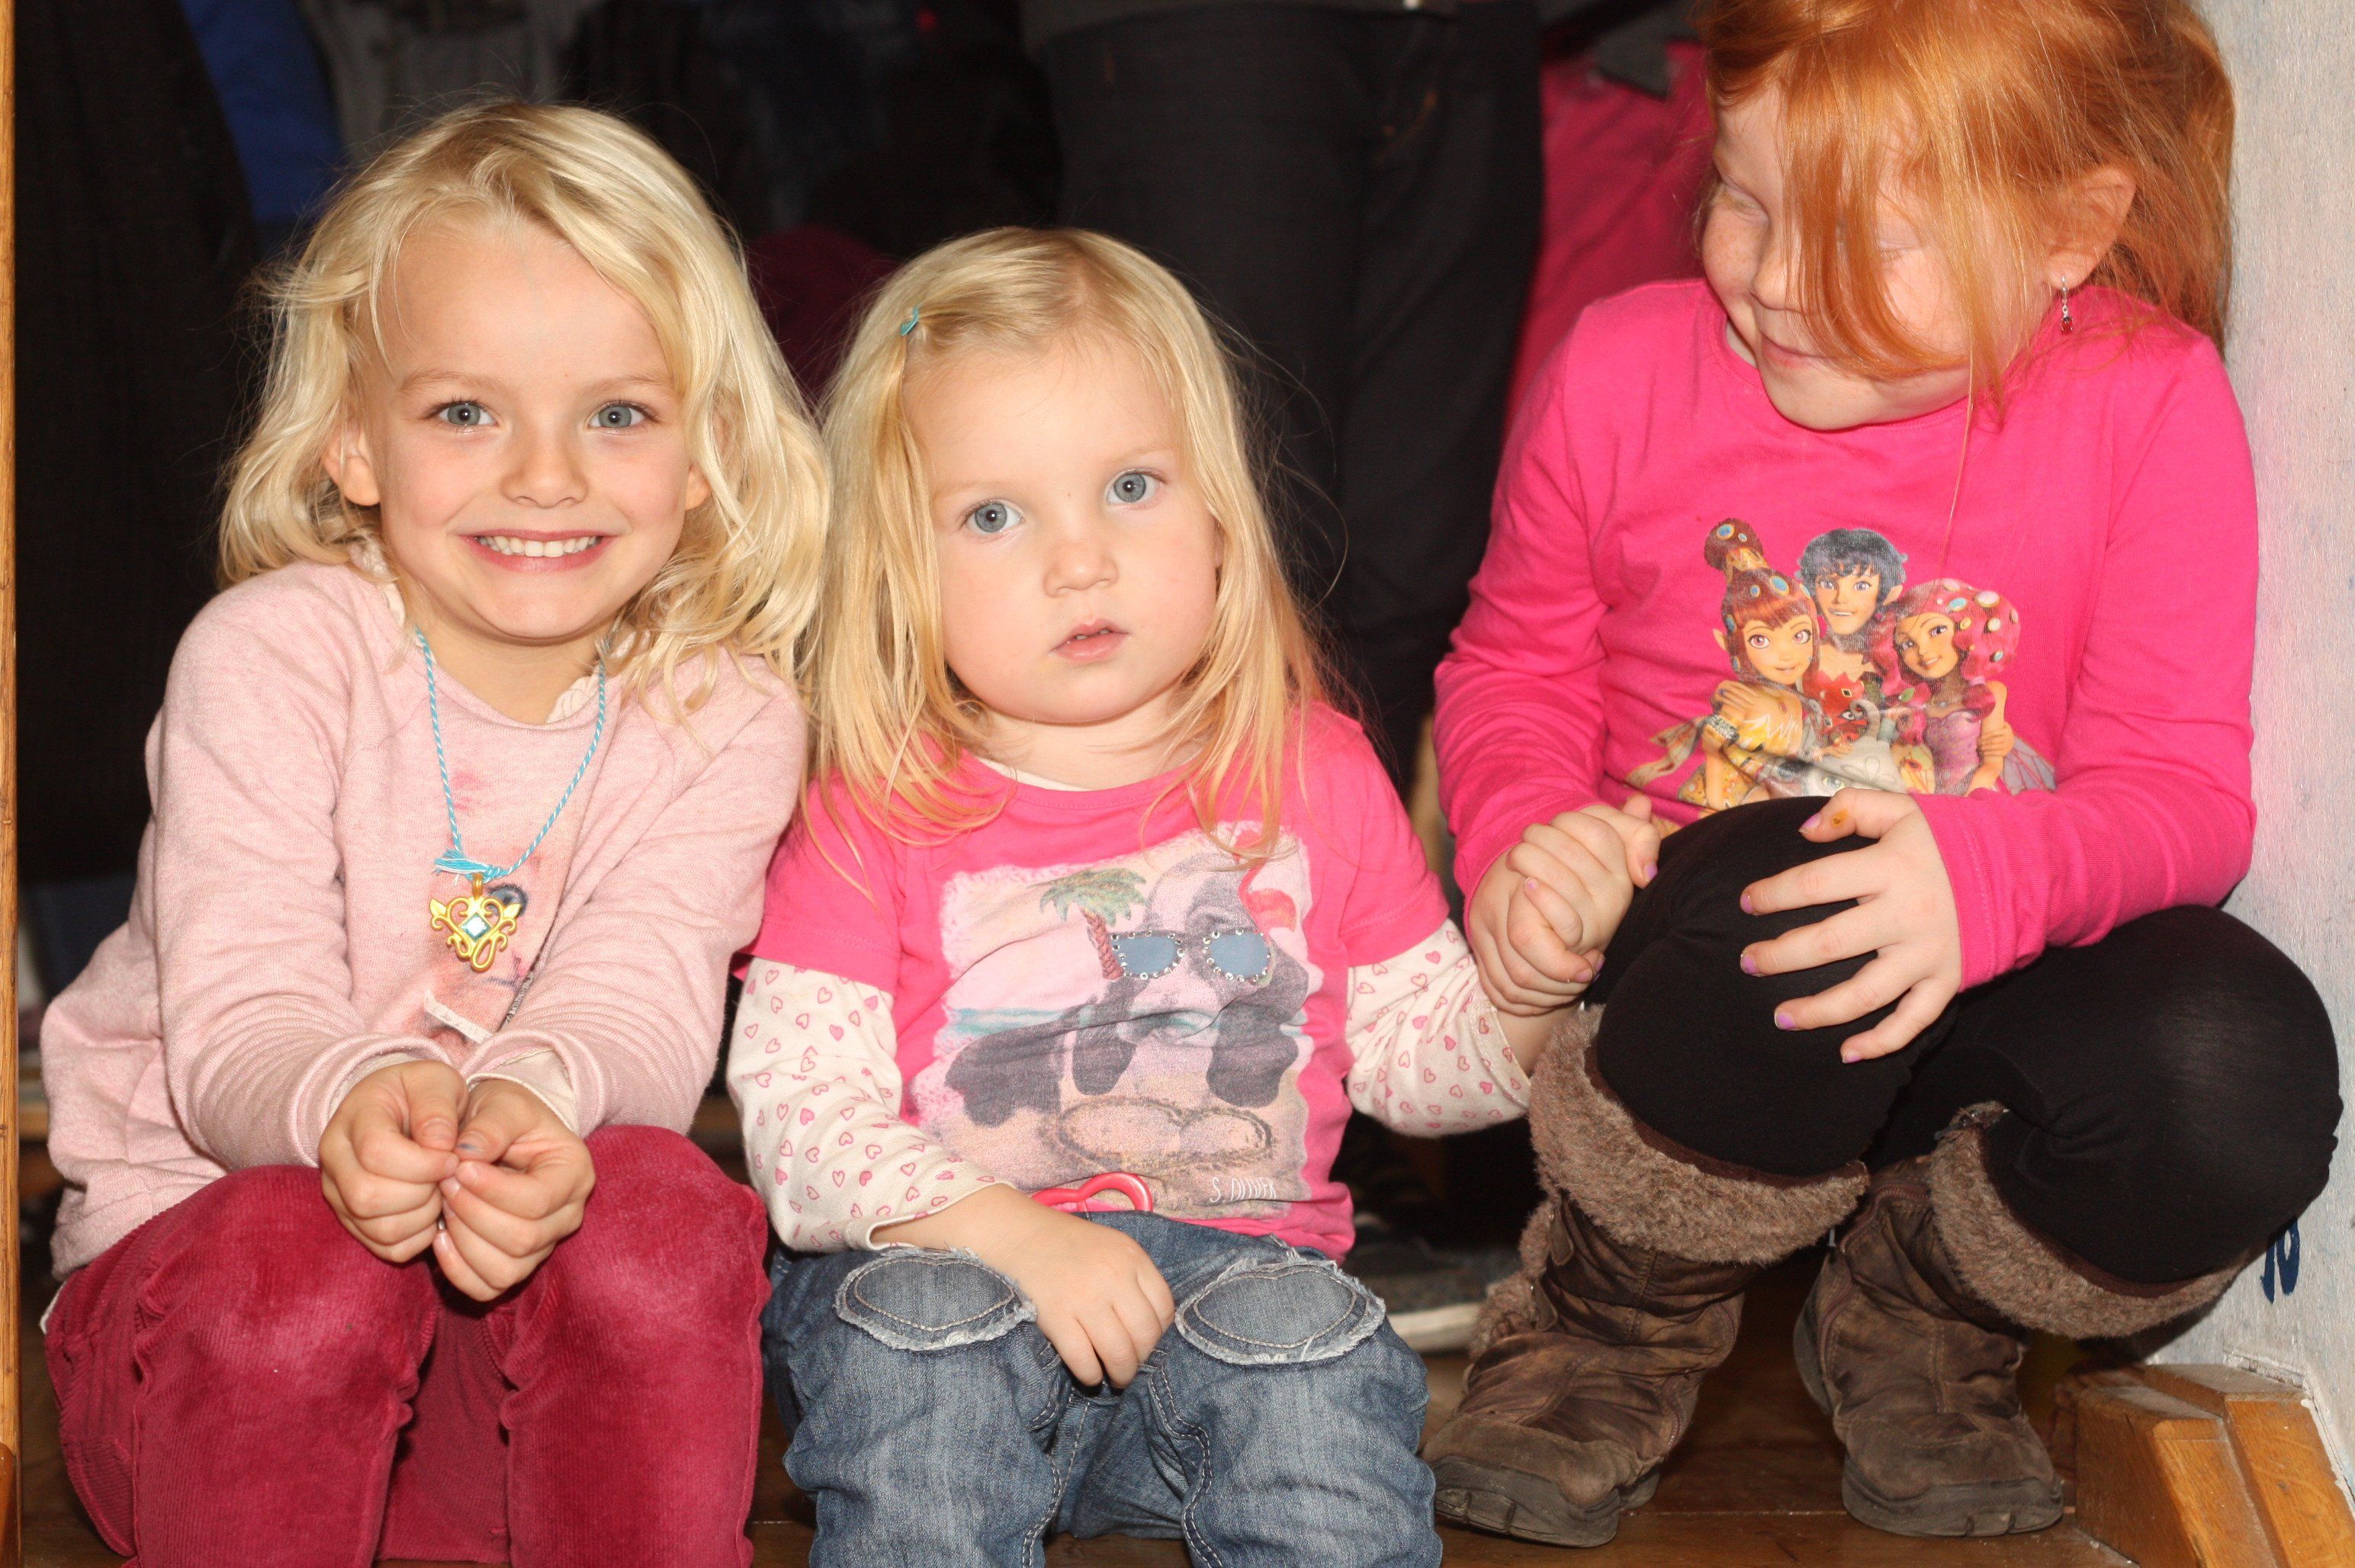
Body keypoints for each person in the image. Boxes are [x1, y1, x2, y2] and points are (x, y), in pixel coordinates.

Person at [1424, 0, 2340, 1547]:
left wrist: (1979, 874)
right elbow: (1511, 664)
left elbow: (2180, 790)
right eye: (1741, 200)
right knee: (1799, 887)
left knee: (2235, 1073)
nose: (1777, 280)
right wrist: (1525, 836)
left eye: (1861, 241)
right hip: (1690, 991)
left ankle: (1919, 1311)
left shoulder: (2146, 396)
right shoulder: (1622, 363)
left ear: (2066, 232)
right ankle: (1611, 1314)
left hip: (1986, 979)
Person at [735, 227, 1609, 1566]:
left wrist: (1530, 987)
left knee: (1305, 1353)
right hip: (952, 1275)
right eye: (994, 515)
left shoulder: (1310, 767)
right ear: (897, 566)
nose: (1078, 561)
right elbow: (801, 1127)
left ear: (1217, 512)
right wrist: (1015, 1239)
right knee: (913, 1338)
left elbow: (1422, 1073)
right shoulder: (872, 804)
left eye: (1131, 487)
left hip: (1232, 1290)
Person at [37, 103, 824, 1568]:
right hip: (207, 1332)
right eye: (466, 412)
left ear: (707, 450)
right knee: (303, 1250)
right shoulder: (271, 657)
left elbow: (645, 990)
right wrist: (349, 1091)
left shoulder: (728, 709)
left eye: (617, 413)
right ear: (353, 439)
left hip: (497, 1377)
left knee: (664, 1209)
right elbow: (244, 1014)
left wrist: (537, 1089)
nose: (545, 474)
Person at [1030, 0, 1541, 788]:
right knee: (1238, 539)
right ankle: (1214, 858)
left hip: (1472, 24)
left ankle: (1351, 851)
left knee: (1418, 562)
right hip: (1207, 28)